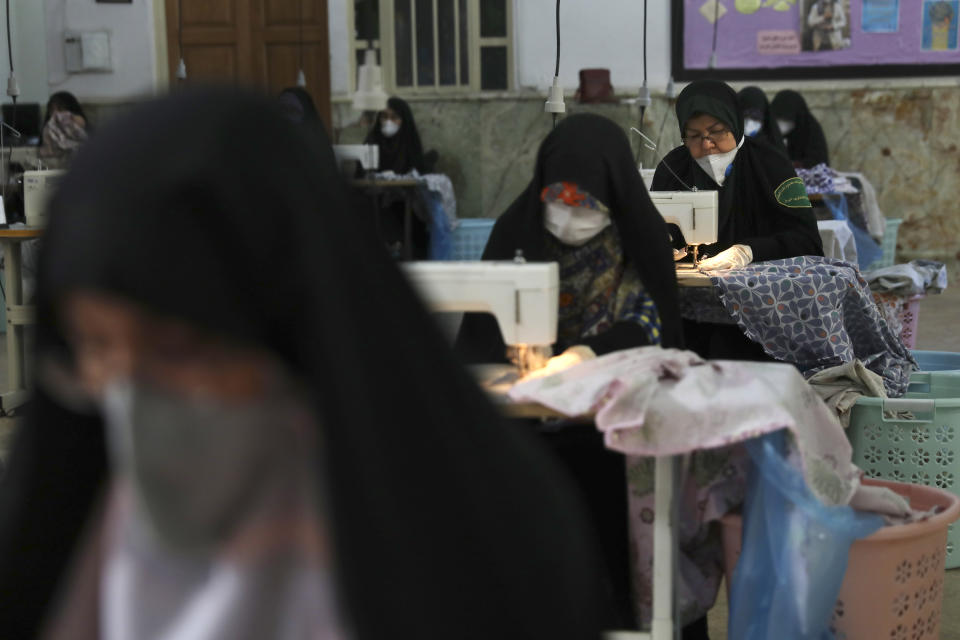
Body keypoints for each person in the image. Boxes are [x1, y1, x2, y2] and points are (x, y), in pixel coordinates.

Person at [0, 88, 607, 639]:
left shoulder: (489, 543)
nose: (130, 392)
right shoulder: (67, 538)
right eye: (93, 348)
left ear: (289, 322)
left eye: (178, 351)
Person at [457, 113, 684, 633]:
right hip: (529, 429)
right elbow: (480, 337)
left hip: (617, 431)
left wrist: (583, 354)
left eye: (584, 201)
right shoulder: (516, 234)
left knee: (607, 503)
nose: (567, 214)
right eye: (555, 198)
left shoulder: (640, 240)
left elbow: (649, 324)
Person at [652, 80, 823, 361]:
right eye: (693, 136)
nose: (706, 145)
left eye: (716, 132)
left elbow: (808, 241)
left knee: (728, 349)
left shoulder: (772, 165)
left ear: (735, 122)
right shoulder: (673, 168)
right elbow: (658, 231)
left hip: (763, 313)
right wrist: (664, 248)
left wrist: (749, 251)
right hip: (691, 310)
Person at [364, 96, 426, 175]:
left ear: (404, 120)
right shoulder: (372, 139)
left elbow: (419, 173)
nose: (388, 122)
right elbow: (361, 175)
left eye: (394, 117)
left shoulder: (410, 141)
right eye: (384, 116)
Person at [770, 89, 830, 168]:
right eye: (778, 119)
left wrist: (795, 165)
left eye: (787, 119)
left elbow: (819, 162)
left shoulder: (810, 129)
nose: (782, 124)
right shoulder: (769, 129)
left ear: (798, 117)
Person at [736, 86, 786, 155]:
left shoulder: (774, 150)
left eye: (755, 117)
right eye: (745, 116)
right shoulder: (727, 146)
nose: (750, 123)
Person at [40, 91, 88, 160]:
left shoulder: (77, 122)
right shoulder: (48, 128)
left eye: (60, 109)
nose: (55, 114)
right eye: (51, 110)